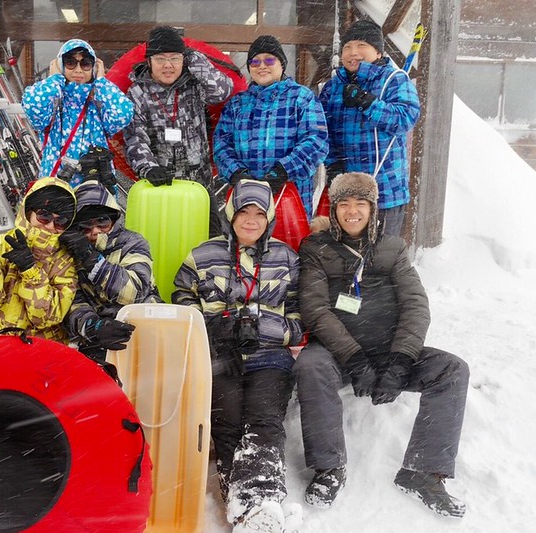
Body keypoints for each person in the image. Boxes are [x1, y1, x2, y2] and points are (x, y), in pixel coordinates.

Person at [295, 172, 469, 517]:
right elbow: (314, 309)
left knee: (452, 370)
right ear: (334, 209)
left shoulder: (392, 247)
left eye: (361, 203)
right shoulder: (316, 248)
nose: (352, 211)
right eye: (344, 204)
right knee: (310, 365)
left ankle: (423, 471)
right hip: (337, 353)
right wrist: (355, 358)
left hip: (389, 355)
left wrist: (401, 359)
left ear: (373, 209)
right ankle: (329, 468)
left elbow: (416, 305)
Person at [172, 179, 302, 532]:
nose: (251, 220)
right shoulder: (201, 255)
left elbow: (300, 319)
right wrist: (217, 329)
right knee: (227, 421)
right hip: (219, 354)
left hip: (270, 357)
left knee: (263, 418)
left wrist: (263, 326)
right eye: (244, 211)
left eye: (259, 213)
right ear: (230, 214)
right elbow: (182, 300)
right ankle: (247, 509)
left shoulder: (286, 258)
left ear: (269, 219)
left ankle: (261, 499)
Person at [123, 26, 234, 235]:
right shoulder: (137, 92)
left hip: (199, 186)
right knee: (164, 242)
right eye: (160, 59)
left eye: (174, 58)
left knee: (208, 243)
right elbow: (134, 137)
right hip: (160, 187)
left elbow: (222, 91)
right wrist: (148, 167)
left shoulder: (194, 84)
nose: (168, 65)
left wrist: (194, 58)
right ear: (149, 61)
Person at [319, 20, 421, 236]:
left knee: (382, 257)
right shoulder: (333, 87)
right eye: (347, 47)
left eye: (361, 45)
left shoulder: (394, 80)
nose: (353, 52)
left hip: (384, 191)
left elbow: (406, 118)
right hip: (347, 193)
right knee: (345, 255)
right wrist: (333, 164)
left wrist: (368, 103)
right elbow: (323, 132)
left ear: (378, 51)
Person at [214, 35, 328, 221]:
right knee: (244, 244)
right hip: (245, 197)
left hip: (289, 193)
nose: (262, 65)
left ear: (282, 64)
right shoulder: (237, 104)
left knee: (288, 246)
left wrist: (283, 171)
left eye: (269, 60)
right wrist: (235, 172)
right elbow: (221, 143)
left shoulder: (301, 97)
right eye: (255, 61)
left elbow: (316, 141)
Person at [59, 180, 160, 369]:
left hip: (145, 330)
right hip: (99, 340)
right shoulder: (69, 253)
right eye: (86, 225)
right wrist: (93, 327)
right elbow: (72, 302)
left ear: (114, 219)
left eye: (102, 222)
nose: (95, 231)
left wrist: (92, 260)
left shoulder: (133, 242)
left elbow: (133, 293)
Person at [0, 177, 78, 342]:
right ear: (28, 212)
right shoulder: (1, 245)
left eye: (61, 221)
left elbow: (47, 318)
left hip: (38, 350)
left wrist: (31, 272)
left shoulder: (64, 261)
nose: (51, 226)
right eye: (44, 216)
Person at [22, 39, 133, 188]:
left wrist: (101, 81)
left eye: (86, 63)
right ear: (61, 66)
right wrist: (55, 78)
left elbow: (123, 113)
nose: (78, 70)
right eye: (70, 63)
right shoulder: (53, 104)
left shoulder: (98, 106)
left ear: (93, 68)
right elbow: (32, 104)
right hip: (57, 192)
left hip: (96, 192)